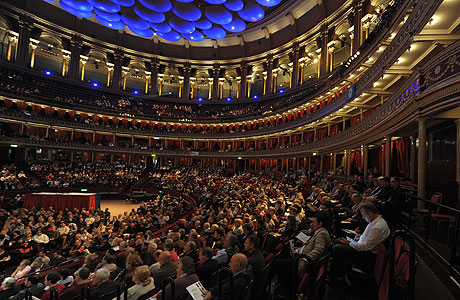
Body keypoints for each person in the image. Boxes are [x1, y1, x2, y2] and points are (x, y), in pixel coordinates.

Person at [330, 202, 391, 283]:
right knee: (338, 241)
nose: (362, 217)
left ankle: (338, 278)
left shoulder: (378, 227)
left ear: (370, 214)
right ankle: (337, 271)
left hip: (368, 255)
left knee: (337, 248)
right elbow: (369, 239)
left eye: (363, 215)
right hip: (363, 248)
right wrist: (361, 236)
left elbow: (366, 247)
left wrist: (349, 243)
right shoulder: (374, 221)